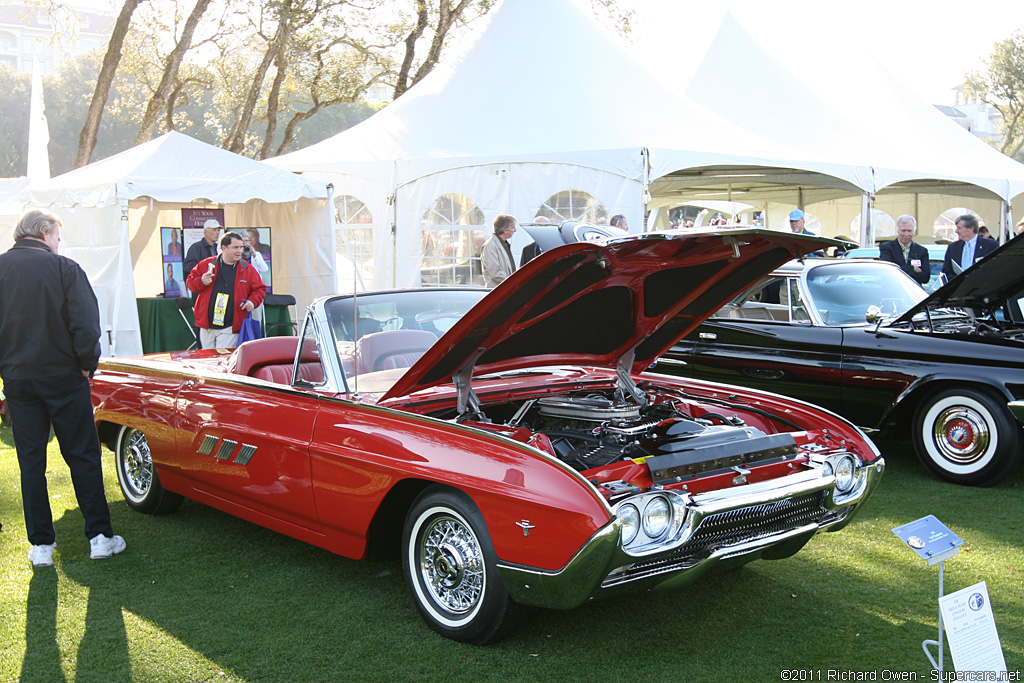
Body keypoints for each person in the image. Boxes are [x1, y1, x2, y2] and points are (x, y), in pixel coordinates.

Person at [0, 209, 126, 567]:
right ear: (43, 232)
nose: (58, 242)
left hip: (19, 379)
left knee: (31, 462)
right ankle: (99, 537)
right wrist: (88, 363)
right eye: (57, 235)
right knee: (82, 456)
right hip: (64, 375)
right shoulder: (64, 268)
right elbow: (85, 323)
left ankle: (41, 545)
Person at [186, 232, 267, 349]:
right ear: (223, 248)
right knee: (208, 361)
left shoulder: (248, 269)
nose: (240, 251)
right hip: (206, 326)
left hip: (230, 326)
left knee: (222, 360)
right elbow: (191, 283)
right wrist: (202, 281)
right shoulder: (206, 264)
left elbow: (259, 289)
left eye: (241, 247)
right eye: (235, 247)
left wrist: (252, 302)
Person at [942, 214, 998, 281]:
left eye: (959, 228)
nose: (956, 231)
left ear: (971, 228)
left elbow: (995, 270)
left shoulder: (990, 245)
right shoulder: (953, 247)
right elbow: (947, 272)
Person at [879, 215, 930, 285]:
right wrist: (913, 269)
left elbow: (925, 277)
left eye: (909, 231)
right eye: (903, 230)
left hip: (914, 291)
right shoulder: (887, 248)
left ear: (914, 231)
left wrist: (898, 268)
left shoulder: (922, 251)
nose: (906, 234)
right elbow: (887, 271)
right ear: (897, 230)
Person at [481, 214, 517, 288]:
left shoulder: (502, 244)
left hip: (506, 289)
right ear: (505, 230)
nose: (515, 230)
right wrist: (514, 282)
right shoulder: (490, 246)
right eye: (513, 227)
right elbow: (495, 273)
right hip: (497, 291)